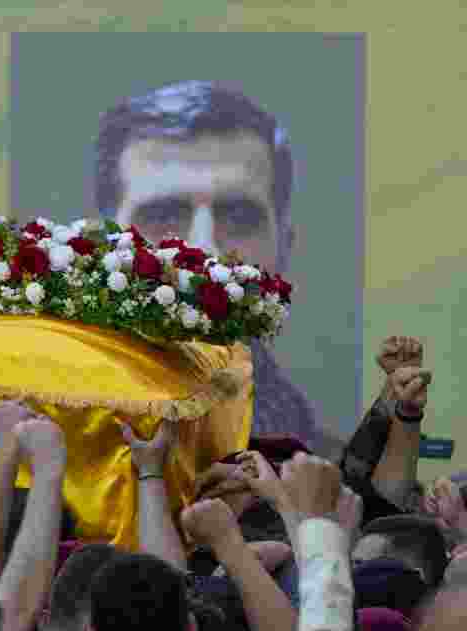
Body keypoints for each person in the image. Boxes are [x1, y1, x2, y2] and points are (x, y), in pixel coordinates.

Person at [95, 80, 337, 453]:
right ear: (102, 246)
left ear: (284, 248)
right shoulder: (35, 458)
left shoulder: (341, 479)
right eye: (163, 214)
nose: (204, 247)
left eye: (239, 217)